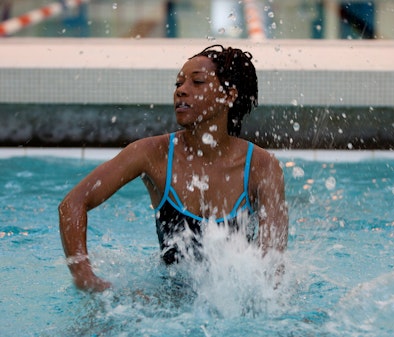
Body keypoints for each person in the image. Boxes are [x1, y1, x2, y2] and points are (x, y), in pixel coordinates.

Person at [59, 45, 288, 292]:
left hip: (232, 305)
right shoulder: (152, 154)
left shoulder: (261, 166)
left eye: (197, 82)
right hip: (168, 303)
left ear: (229, 96)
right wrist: (84, 276)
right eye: (178, 84)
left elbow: (272, 264)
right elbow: (73, 203)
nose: (181, 91)